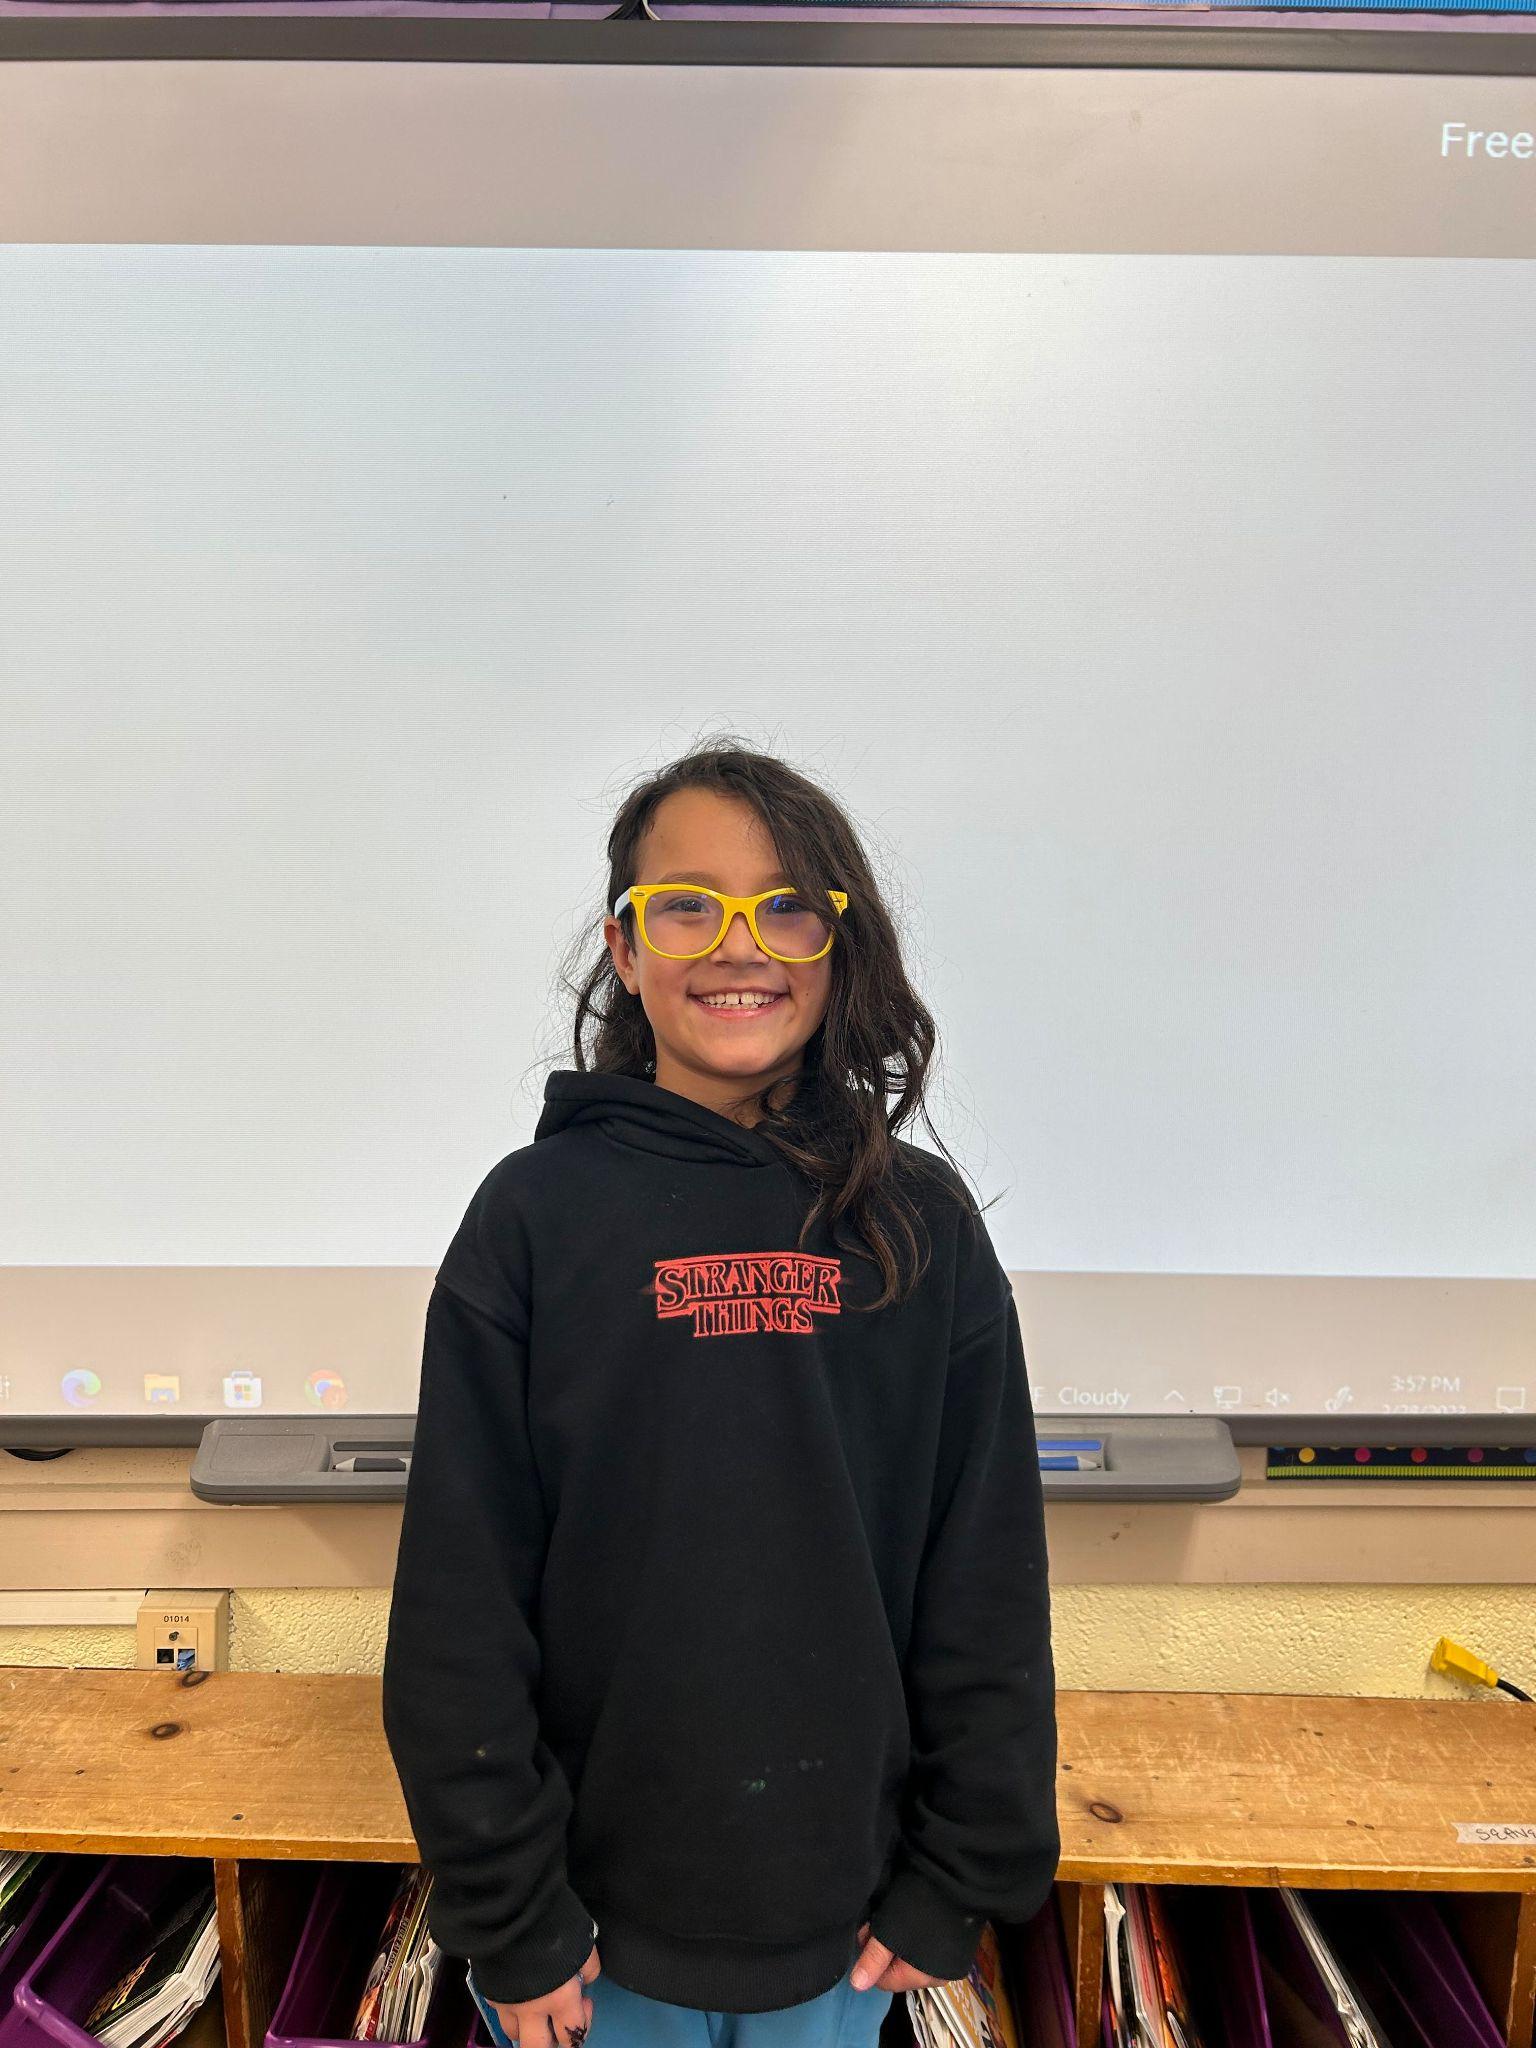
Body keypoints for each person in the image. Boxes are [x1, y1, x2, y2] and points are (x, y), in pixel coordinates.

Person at [381, 741, 1059, 2048]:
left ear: (837, 948)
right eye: (687, 905)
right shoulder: (533, 1217)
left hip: (845, 1927)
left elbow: (984, 1575)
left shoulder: (919, 1224)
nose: (738, 944)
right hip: (585, 1936)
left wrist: (963, 1870)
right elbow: (461, 1600)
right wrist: (510, 1914)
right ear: (625, 948)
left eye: (786, 905)